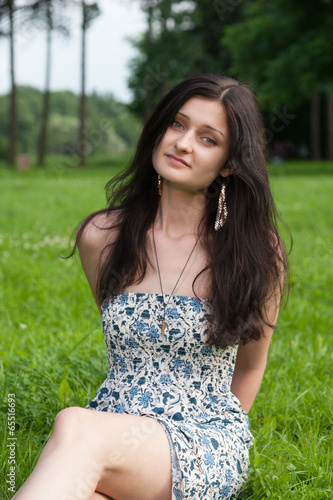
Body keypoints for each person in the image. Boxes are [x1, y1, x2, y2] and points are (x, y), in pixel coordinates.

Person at [13, 73, 288, 500]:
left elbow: (251, 366)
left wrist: (221, 438)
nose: (182, 143)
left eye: (208, 139)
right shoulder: (102, 238)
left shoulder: (255, 254)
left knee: (73, 424)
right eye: (177, 124)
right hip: (111, 428)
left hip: (202, 440)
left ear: (230, 163)